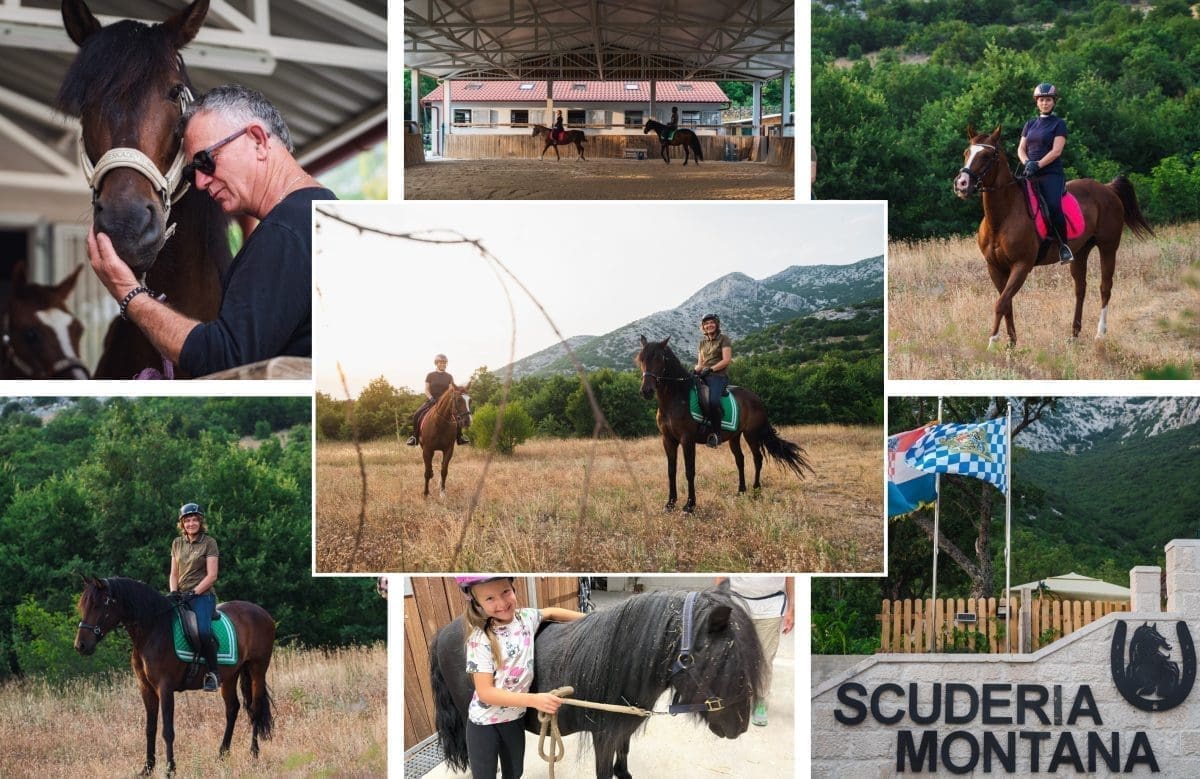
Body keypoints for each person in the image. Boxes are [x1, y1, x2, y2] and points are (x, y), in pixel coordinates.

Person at [86, 84, 335, 377]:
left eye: (206, 161)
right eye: (192, 172)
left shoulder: (285, 231)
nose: (201, 183)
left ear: (257, 140)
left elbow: (226, 360)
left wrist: (129, 293)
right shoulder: (322, 214)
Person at [457, 576, 585, 779]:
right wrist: (535, 700)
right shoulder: (479, 640)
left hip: (514, 720)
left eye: (506, 592)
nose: (502, 603)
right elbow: (485, 693)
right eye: (490, 598)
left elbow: (551, 612)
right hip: (484, 724)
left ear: (513, 589)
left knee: (515, 773)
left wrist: (590, 618)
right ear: (478, 604)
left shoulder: (526, 618)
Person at [716, 576, 793, 726]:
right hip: (737, 604)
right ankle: (736, 698)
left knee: (764, 658)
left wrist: (791, 609)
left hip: (771, 608)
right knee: (735, 655)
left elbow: (789, 576)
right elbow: (722, 574)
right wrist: (718, 602)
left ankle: (760, 701)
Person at [1018, 83, 1073, 264]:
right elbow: (1021, 148)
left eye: (1048, 100)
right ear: (1037, 102)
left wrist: (1038, 164)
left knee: (1053, 206)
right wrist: (1027, 162)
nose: (1045, 103)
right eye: (1041, 100)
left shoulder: (1059, 124)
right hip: (1030, 171)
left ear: (1053, 102)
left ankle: (1064, 247)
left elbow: (1057, 151)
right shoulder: (1030, 124)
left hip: (1051, 174)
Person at [170, 502, 220, 692]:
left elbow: (212, 575)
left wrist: (194, 592)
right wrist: (174, 592)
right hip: (180, 595)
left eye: (194, 520)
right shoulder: (176, 543)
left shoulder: (209, 542)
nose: (191, 523)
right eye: (187, 520)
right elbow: (174, 573)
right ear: (182, 524)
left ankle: (214, 673)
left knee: (203, 632)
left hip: (202, 596)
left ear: (200, 522)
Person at [406, 354, 469, 446]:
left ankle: (460, 437)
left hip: (445, 403)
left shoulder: (449, 376)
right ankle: (414, 437)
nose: (443, 364)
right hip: (432, 401)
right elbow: (426, 390)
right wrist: (431, 398)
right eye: (441, 362)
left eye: (444, 363)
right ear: (436, 363)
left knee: (457, 417)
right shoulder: (430, 375)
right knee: (417, 414)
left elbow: (450, 390)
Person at [693, 313, 732, 448]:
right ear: (703, 326)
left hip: (718, 376)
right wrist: (694, 370)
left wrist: (711, 369)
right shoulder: (702, 343)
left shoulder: (724, 339)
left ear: (716, 324)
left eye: (711, 322)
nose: (709, 325)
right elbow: (700, 363)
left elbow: (727, 360)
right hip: (703, 375)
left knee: (713, 401)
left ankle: (717, 434)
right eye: (706, 323)